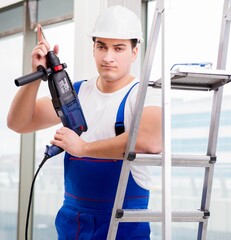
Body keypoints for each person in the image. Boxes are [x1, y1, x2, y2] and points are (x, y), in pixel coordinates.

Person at [7, 5, 162, 240]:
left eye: (118, 48)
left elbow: (148, 140)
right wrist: (36, 74)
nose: (108, 57)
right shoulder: (75, 93)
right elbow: (19, 122)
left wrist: (84, 148)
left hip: (123, 226)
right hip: (73, 224)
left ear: (134, 52)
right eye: (102, 46)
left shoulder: (144, 94)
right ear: (94, 48)